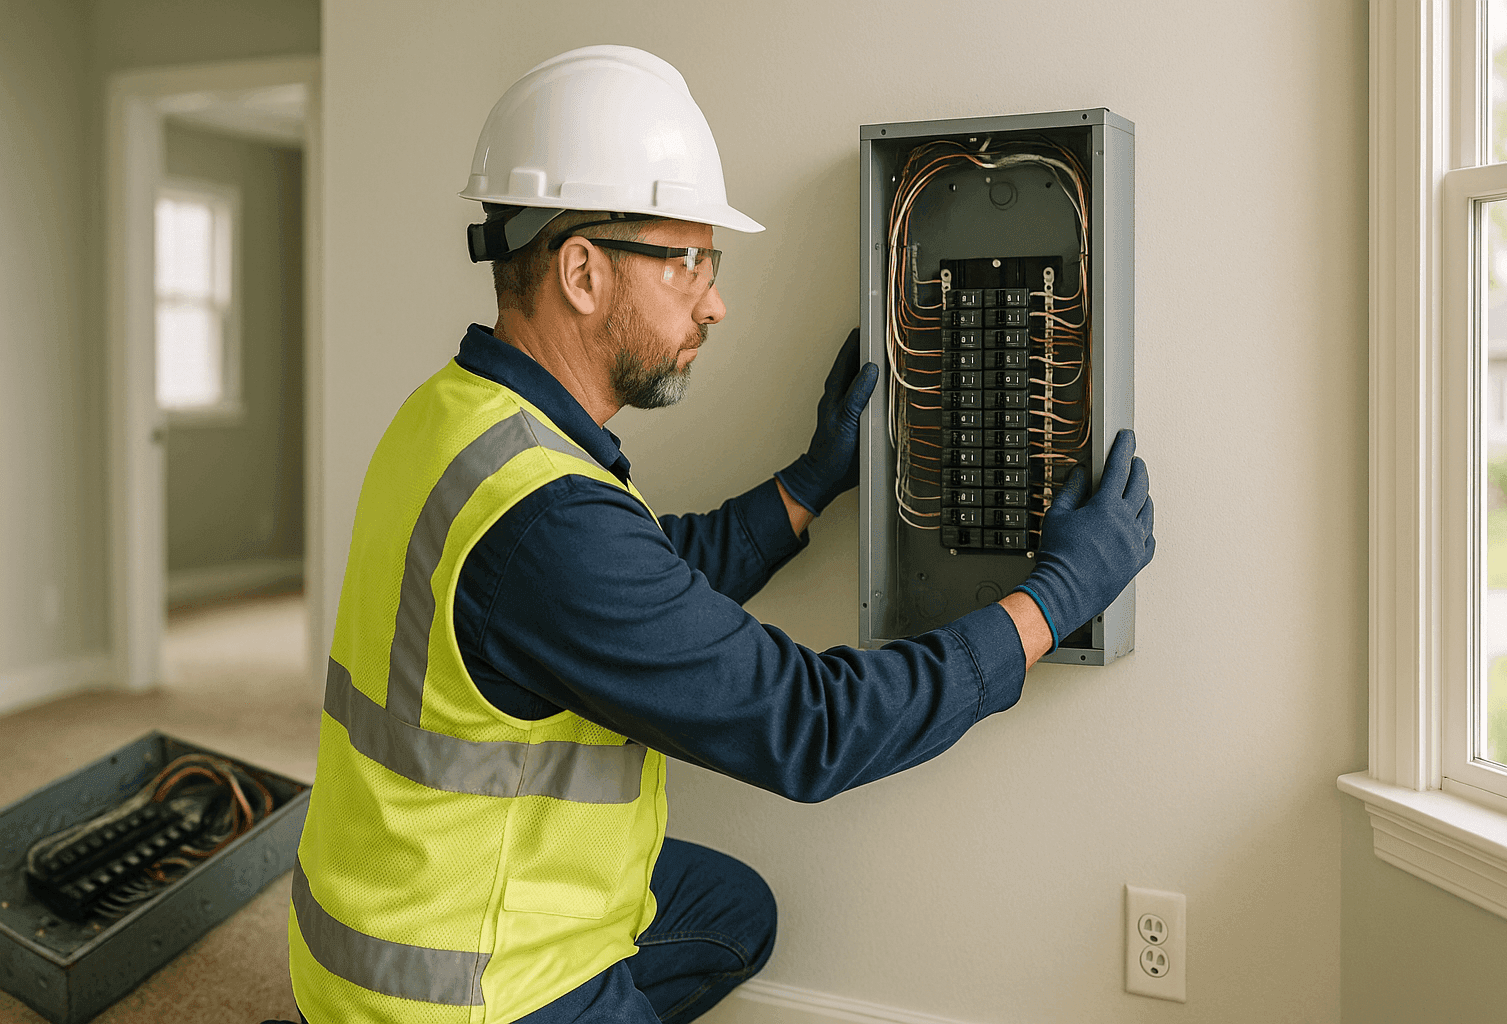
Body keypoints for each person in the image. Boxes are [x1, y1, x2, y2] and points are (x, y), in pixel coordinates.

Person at [279, 45, 1154, 1024]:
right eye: (687, 260)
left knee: (732, 911)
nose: (716, 301)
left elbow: (644, 588)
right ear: (581, 271)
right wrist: (1056, 599)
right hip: (459, 991)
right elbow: (814, 726)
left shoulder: (452, 416)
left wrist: (808, 484)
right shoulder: (551, 523)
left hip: (368, 921)